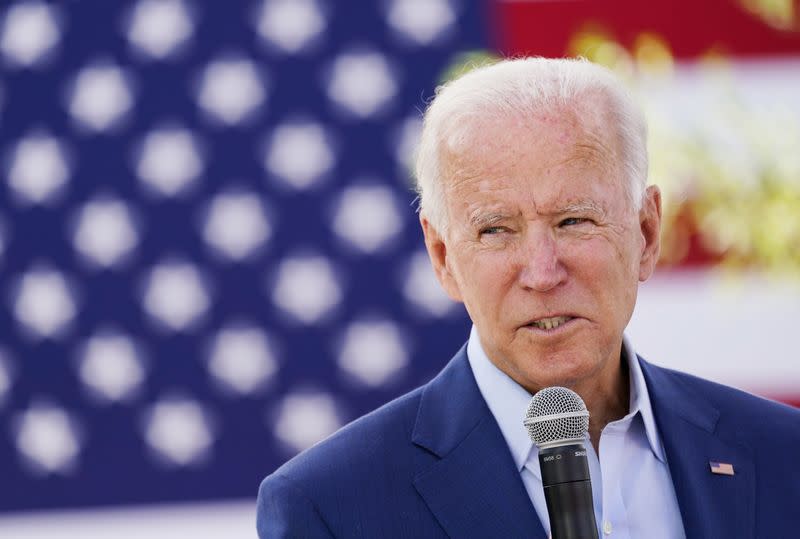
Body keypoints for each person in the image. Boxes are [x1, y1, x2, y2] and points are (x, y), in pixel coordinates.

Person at [256, 57, 800, 538]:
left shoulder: (783, 455)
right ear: (444, 257)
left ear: (646, 233)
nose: (542, 273)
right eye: (496, 230)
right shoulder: (328, 508)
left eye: (573, 220)